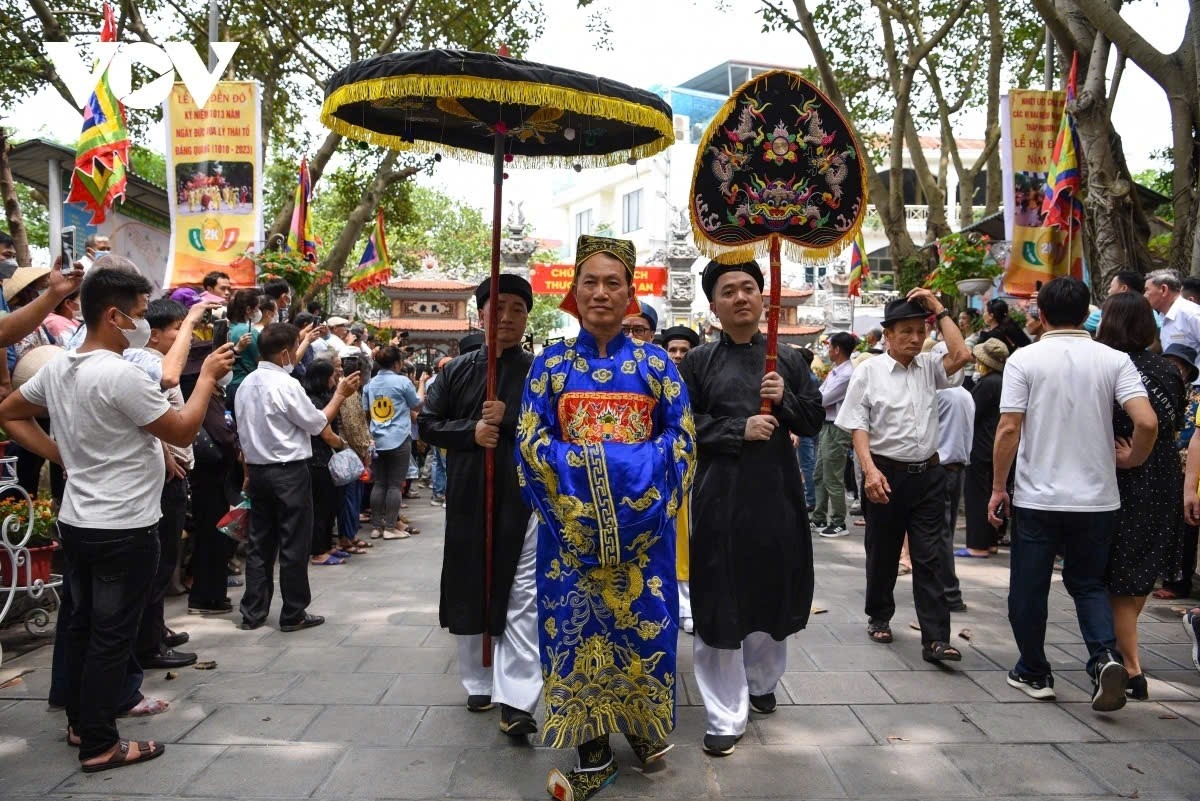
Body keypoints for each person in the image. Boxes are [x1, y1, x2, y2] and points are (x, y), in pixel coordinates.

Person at [0, 258, 234, 772]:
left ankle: (83, 723)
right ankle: (101, 743)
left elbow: (11, 412)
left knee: (84, 625)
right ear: (113, 316)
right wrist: (207, 379)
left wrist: (62, 453)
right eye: (142, 313)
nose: (146, 323)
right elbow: (180, 430)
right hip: (124, 525)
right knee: (112, 634)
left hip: (80, 520)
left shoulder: (61, 366)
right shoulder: (121, 374)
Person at [515, 234, 694, 801]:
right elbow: (529, 442)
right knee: (576, 628)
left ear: (630, 293)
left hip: (646, 539)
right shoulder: (550, 366)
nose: (600, 292)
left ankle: (642, 728)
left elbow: (682, 440)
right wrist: (599, 481)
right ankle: (591, 747)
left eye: (612, 282)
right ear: (573, 291)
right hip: (568, 537)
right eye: (589, 281)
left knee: (644, 624)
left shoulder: (656, 363)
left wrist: (623, 483)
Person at [990, 276, 1158, 711]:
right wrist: (1133, 459)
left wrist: (996, 487)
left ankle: (1033, 670)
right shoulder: (1114, 360)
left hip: (1038, 497)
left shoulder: (1024, 359)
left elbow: (1009, 428)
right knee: (1087, 584)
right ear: (1087, 314)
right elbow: (1147, 422)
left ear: (1040, 314)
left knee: (1028, 588)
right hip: (1097, 498)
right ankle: (1103, 657)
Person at [680, 259, 823, 757]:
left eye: (748, 288)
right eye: (728, 291)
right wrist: (735, 430)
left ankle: (762, 679)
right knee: (720, 595)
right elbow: (681, 425)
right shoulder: (697, 363)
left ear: (764, 298)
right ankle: (723, 711)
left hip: (777, 491)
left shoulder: (789, 358)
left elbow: (814, 418)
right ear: (714, 305)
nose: (740, 297)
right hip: (720, 493)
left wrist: (784, 401)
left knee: (770, 588)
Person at [420, 274, 541, 736]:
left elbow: (557, 425)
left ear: (527, 316)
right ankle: (477, 680)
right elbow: (429, 424)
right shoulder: (457, 370)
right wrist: (469, 432)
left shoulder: (540, 370)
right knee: (471, 580)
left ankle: (519, 697)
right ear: (482, 314)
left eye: (516, 308)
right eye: (497, 308)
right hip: (470, 492)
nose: (506, 317)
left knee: (521, 593)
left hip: (524, 494)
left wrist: (510, 420)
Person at [835, 289, 971, 662]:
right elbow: (858, 425)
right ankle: (879, 614)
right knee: (883, 552)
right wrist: (869, 470)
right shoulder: (869, 371)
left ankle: (936, 639)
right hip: (885, 474)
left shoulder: (930, 366)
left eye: (920, 331)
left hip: (928, 474)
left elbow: (962, 355)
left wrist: (939, 308)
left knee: (930, 558)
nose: (914, 338)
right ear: (889, 335)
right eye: (906, 331)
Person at [235, 323, 361, 632]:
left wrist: (249, 472)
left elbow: (245, 434)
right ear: (284, 353)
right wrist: (341, 394)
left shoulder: (247, 384)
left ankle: (253, 611)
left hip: (259, 470)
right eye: (295, 348)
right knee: (294, 542)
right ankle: (293, 612)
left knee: (260, 542)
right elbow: (317, 422)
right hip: (288, 471)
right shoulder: (286, 385)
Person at [1096, 292, 1185, 701]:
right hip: (1165, 474)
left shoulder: (1113, 367)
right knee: (1140, 568)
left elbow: (1140, 423)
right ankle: (1125, 652)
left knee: (1119, 575)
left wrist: (1131, 456)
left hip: (1127, 476)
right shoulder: (1168, 370)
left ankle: (1131, 669)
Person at [125, 297, 216, 669]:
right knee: (157, 566)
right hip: (161, 479)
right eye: (179, 330)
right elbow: (164, 388)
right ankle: (148, 645)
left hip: (169, 471)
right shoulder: (146, 362)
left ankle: (155, 630)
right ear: (155, 333)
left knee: (163, 562)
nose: (186, 337)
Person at [660, 325, 701, 634]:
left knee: (688, 538)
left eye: (683, 351)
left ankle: (686, 604)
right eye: (672, 350)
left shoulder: (699, 381)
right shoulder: (655, 379)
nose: (677, 356)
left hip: (694, 471)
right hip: (656, 470)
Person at [363, 346, 421, 539]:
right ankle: (390, 528)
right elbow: (416, 404)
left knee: (379, 483)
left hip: (377, 439)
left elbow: (366, 410)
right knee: (395, 485)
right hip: (398, 437)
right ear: (397, 363)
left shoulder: (370, 384)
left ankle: (376, 527)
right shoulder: (403, 381)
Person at [959, 339, 1010, 558]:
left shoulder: (989, 383)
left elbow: (971, 411)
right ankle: (990, 540)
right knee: (991, 493)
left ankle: (977, 544)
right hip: (994, 445)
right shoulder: (1003, 381)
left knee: (977, 495)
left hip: (980, 447)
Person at [302, 358, 351, 566]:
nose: (335, 378)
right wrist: (343, 445)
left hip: (326, 459)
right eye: (332, 375)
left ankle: (327, 545)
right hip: (317, 460)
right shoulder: (313, 400)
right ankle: (318, 551)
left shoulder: (325, 397)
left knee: (331, 506)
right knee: (321, 508)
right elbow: (326, 433)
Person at [811, 331, 856, 538]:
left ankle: (839, 521)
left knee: (833, 477)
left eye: (830, 347)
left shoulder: (846, 375)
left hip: (837, 428)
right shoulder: (836, 371)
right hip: (827, 426)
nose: (828, 350)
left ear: (837, 349)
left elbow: (822, 399)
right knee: (819, 474)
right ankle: (819, 517)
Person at [933, 385, 973, 613]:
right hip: (957, 467)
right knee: (944, 530)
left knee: (941, 533)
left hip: (942, 467)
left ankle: (949, 593)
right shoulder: (964, 394)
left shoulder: (940, 395)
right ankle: (948, 591)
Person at [226, 289, 262, 413]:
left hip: (228, 386)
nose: (258, 312)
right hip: (246, 385)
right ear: (248, 310)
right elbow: (261, 361)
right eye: (257, 308)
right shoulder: (249, 332)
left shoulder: (226, 328)